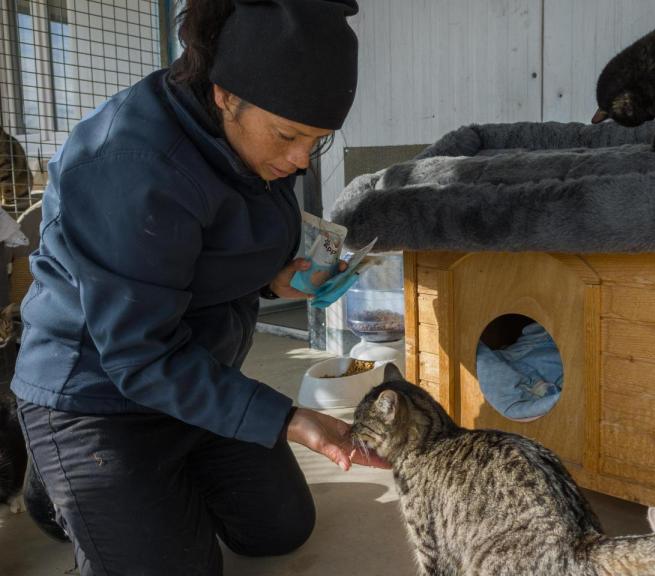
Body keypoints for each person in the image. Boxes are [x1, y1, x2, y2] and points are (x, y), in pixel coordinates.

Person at [11, 1, 386, 574]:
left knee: (280, 530)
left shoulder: (250, 141)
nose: (301, 160)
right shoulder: (130, 163)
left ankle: (139, 494)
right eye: (288, 135)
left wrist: (273, 280)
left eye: (319, 140)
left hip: (192, 374)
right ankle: (58, 485)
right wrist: (288, 418)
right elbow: (138, 354)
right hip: (96, 392)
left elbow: (206, 257)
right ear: (223, 94)